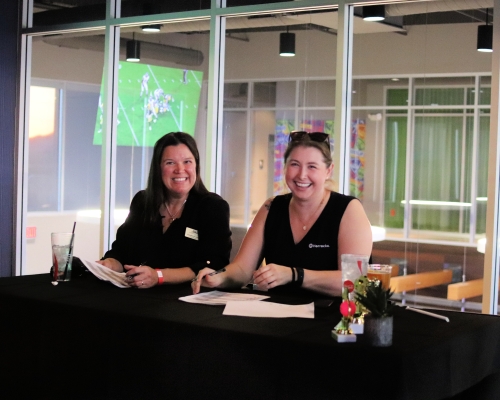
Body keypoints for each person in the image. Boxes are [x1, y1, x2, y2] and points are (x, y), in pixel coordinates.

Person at [192, 130, 372, 298]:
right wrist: (218, 277)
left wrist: (294, 275)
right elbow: (242, 269)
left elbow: (354, 282)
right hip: (275, 320)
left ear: (328, 171)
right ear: (285, 167)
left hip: (330, 322)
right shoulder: (271, 207)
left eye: (312, 167)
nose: (302, 175)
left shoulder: (348, 209)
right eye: (295, 164)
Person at [99, 132, 232, 288]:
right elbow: (121, 252)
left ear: (196, 166)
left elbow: (214, 264)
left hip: (187, 301)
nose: (180, 169)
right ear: (158, 168)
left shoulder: (212, 207)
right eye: (170, 163)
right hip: (136, 298)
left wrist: (159, 276)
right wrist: (108, 264)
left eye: (187, 161)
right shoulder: (142, 202)